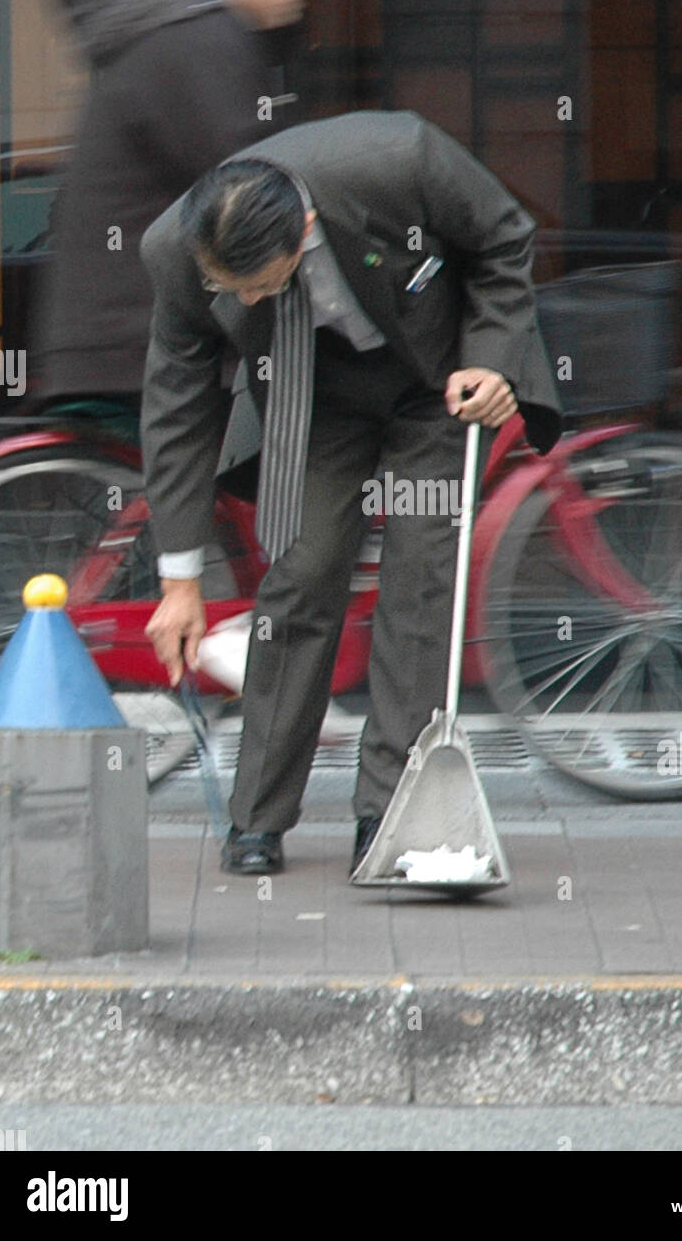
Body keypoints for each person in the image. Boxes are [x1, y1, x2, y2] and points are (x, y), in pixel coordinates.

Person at [138, 110, 565, 878]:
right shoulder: (177, 253)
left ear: (302, 230)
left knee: (419, 578)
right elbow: (178, 407)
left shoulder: (398, 158)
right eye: (227, 288)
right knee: (302, 573)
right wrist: (178, 580)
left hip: (437, 386)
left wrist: (492, 361)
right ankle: (257, 818)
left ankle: (391, 814)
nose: (246, 300)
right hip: (310, 397)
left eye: (259, 286)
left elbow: (503, 236)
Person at [29, 0, 321, 417]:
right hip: (149, 337)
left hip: (119, 333)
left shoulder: (182, 32)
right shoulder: (198, 39)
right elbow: (249, 184)